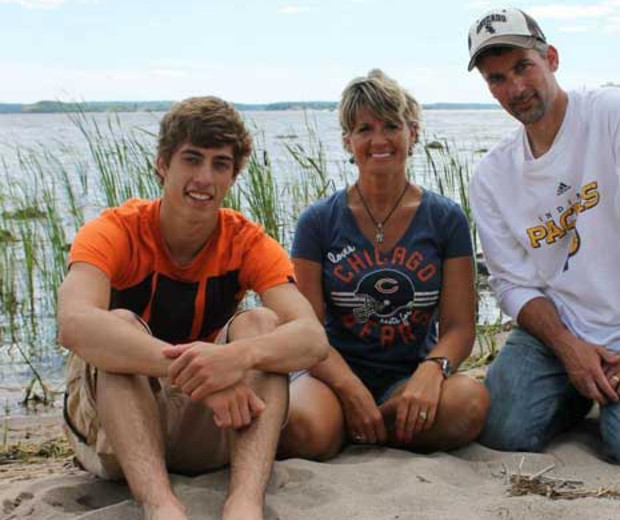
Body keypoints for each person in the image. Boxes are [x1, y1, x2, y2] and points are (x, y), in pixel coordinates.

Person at [58, 96, 328, 520]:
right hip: (113, 431)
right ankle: (161, 507)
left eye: (220, 164)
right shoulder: (115, 229)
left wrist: (236, 357)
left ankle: (244, 503)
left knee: (261, 324)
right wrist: (199, 374)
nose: (204, 178)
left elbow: (312, 338)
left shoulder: (245, 240)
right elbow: (73, 324)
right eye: (192, 159)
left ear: (234, 174)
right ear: (163, 164)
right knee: (119, 325)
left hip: (207, 426)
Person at [466, 8, 620, 464]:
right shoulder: (491, 176)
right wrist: (570, 349)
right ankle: (575, 391)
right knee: (498, 430)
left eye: (522, 67)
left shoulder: (617, 114)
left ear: (551, 57)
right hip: (562, 328)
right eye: (496, 79)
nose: (514, 89)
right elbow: (512, 283)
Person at [278, 69, 489, 459]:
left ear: (413, 134)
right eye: (364, 129)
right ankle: (357, 422)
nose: (379, 139)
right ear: (347, 141)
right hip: (332, 373)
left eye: (391, 126)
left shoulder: (446, 218)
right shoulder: (318, 221)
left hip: (409, 376)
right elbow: (306, 330)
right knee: (306, 430)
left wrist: (433, 371)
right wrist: (349, 389)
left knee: (470, 402)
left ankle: (365, 427)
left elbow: (459, 327)